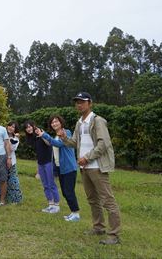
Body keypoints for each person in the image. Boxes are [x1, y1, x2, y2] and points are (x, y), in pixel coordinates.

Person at [59, 92, 121, 245]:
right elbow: (74, 142)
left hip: (97, 167)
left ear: (90, 103)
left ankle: (114, 235)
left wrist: (87, 157)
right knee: (93, 200)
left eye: (82, 102)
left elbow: (103, 144)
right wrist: (64, 138)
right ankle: (98, 227)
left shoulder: (97, 121)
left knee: (108, 201)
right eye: (77, 102)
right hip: (85, 168)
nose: (79, 105)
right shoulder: (79, 123)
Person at [35, 115, 80, 222]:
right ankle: (72, 213)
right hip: (61, 168)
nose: (54, 124)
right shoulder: (56, 136)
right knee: (65, 192)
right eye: (52, 122)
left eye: (56, 121)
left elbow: (59, 144)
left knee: (69, 191)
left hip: (69, 167)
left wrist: (44, 135)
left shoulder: (66, 132)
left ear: (61, 122)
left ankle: (76, 214)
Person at [24, 120, 60, 213]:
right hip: (41, 164)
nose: (28, 129)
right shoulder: (32, 138)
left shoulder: (41, 132)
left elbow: (49, 143)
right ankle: (50, 205)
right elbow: (39, 153)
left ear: (33, 125)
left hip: (49, 162)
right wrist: (37, 170)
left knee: (51, 184)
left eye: (29, 126)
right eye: (26, 128)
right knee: (45, 185)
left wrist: (42, 135)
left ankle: (56, 205)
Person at [0, 121, 24, 204]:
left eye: (13, 127)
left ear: (15, 129)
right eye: (10, 126)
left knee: (12, 181)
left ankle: (15, 199)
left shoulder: (15, 139)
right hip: (1, 160)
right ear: (7, 126)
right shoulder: (1, 136)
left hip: (11, 161)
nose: (11, 128)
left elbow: (12, 149)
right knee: (0, 180)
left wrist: (13, 139)